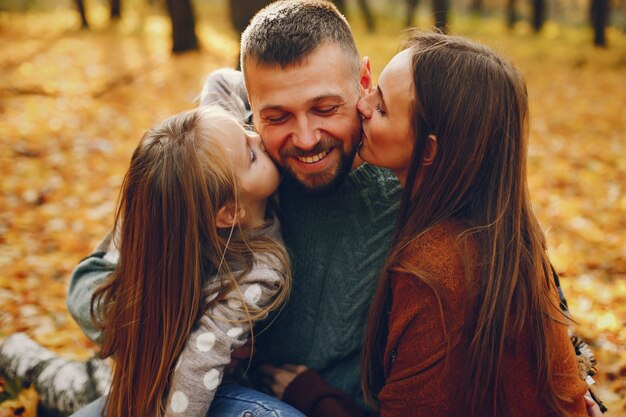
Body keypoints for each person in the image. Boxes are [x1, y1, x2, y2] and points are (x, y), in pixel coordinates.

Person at [67, 1, 402, 414]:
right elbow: (90, 285)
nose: (306, 137)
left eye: (325, 108)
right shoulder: (222, 166)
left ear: (364, 81)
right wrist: (192, 331)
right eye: (276, 116)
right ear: (251, 105)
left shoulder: (403, 192)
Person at [258, 32, 604, 417]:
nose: (363, 105)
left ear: (430, 149)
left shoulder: (437, 265)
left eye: (383, 108)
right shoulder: (503, 227)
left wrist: (314, 397)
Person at [69, 105, 295, 417]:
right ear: (229, 212)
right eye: (251, 155)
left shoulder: (216, 161)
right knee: (69, 386)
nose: (259, 137)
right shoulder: (261, 272)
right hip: (148, 381)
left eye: (248, 130)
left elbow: (223, 84)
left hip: (132, 373)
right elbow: (200, 362)